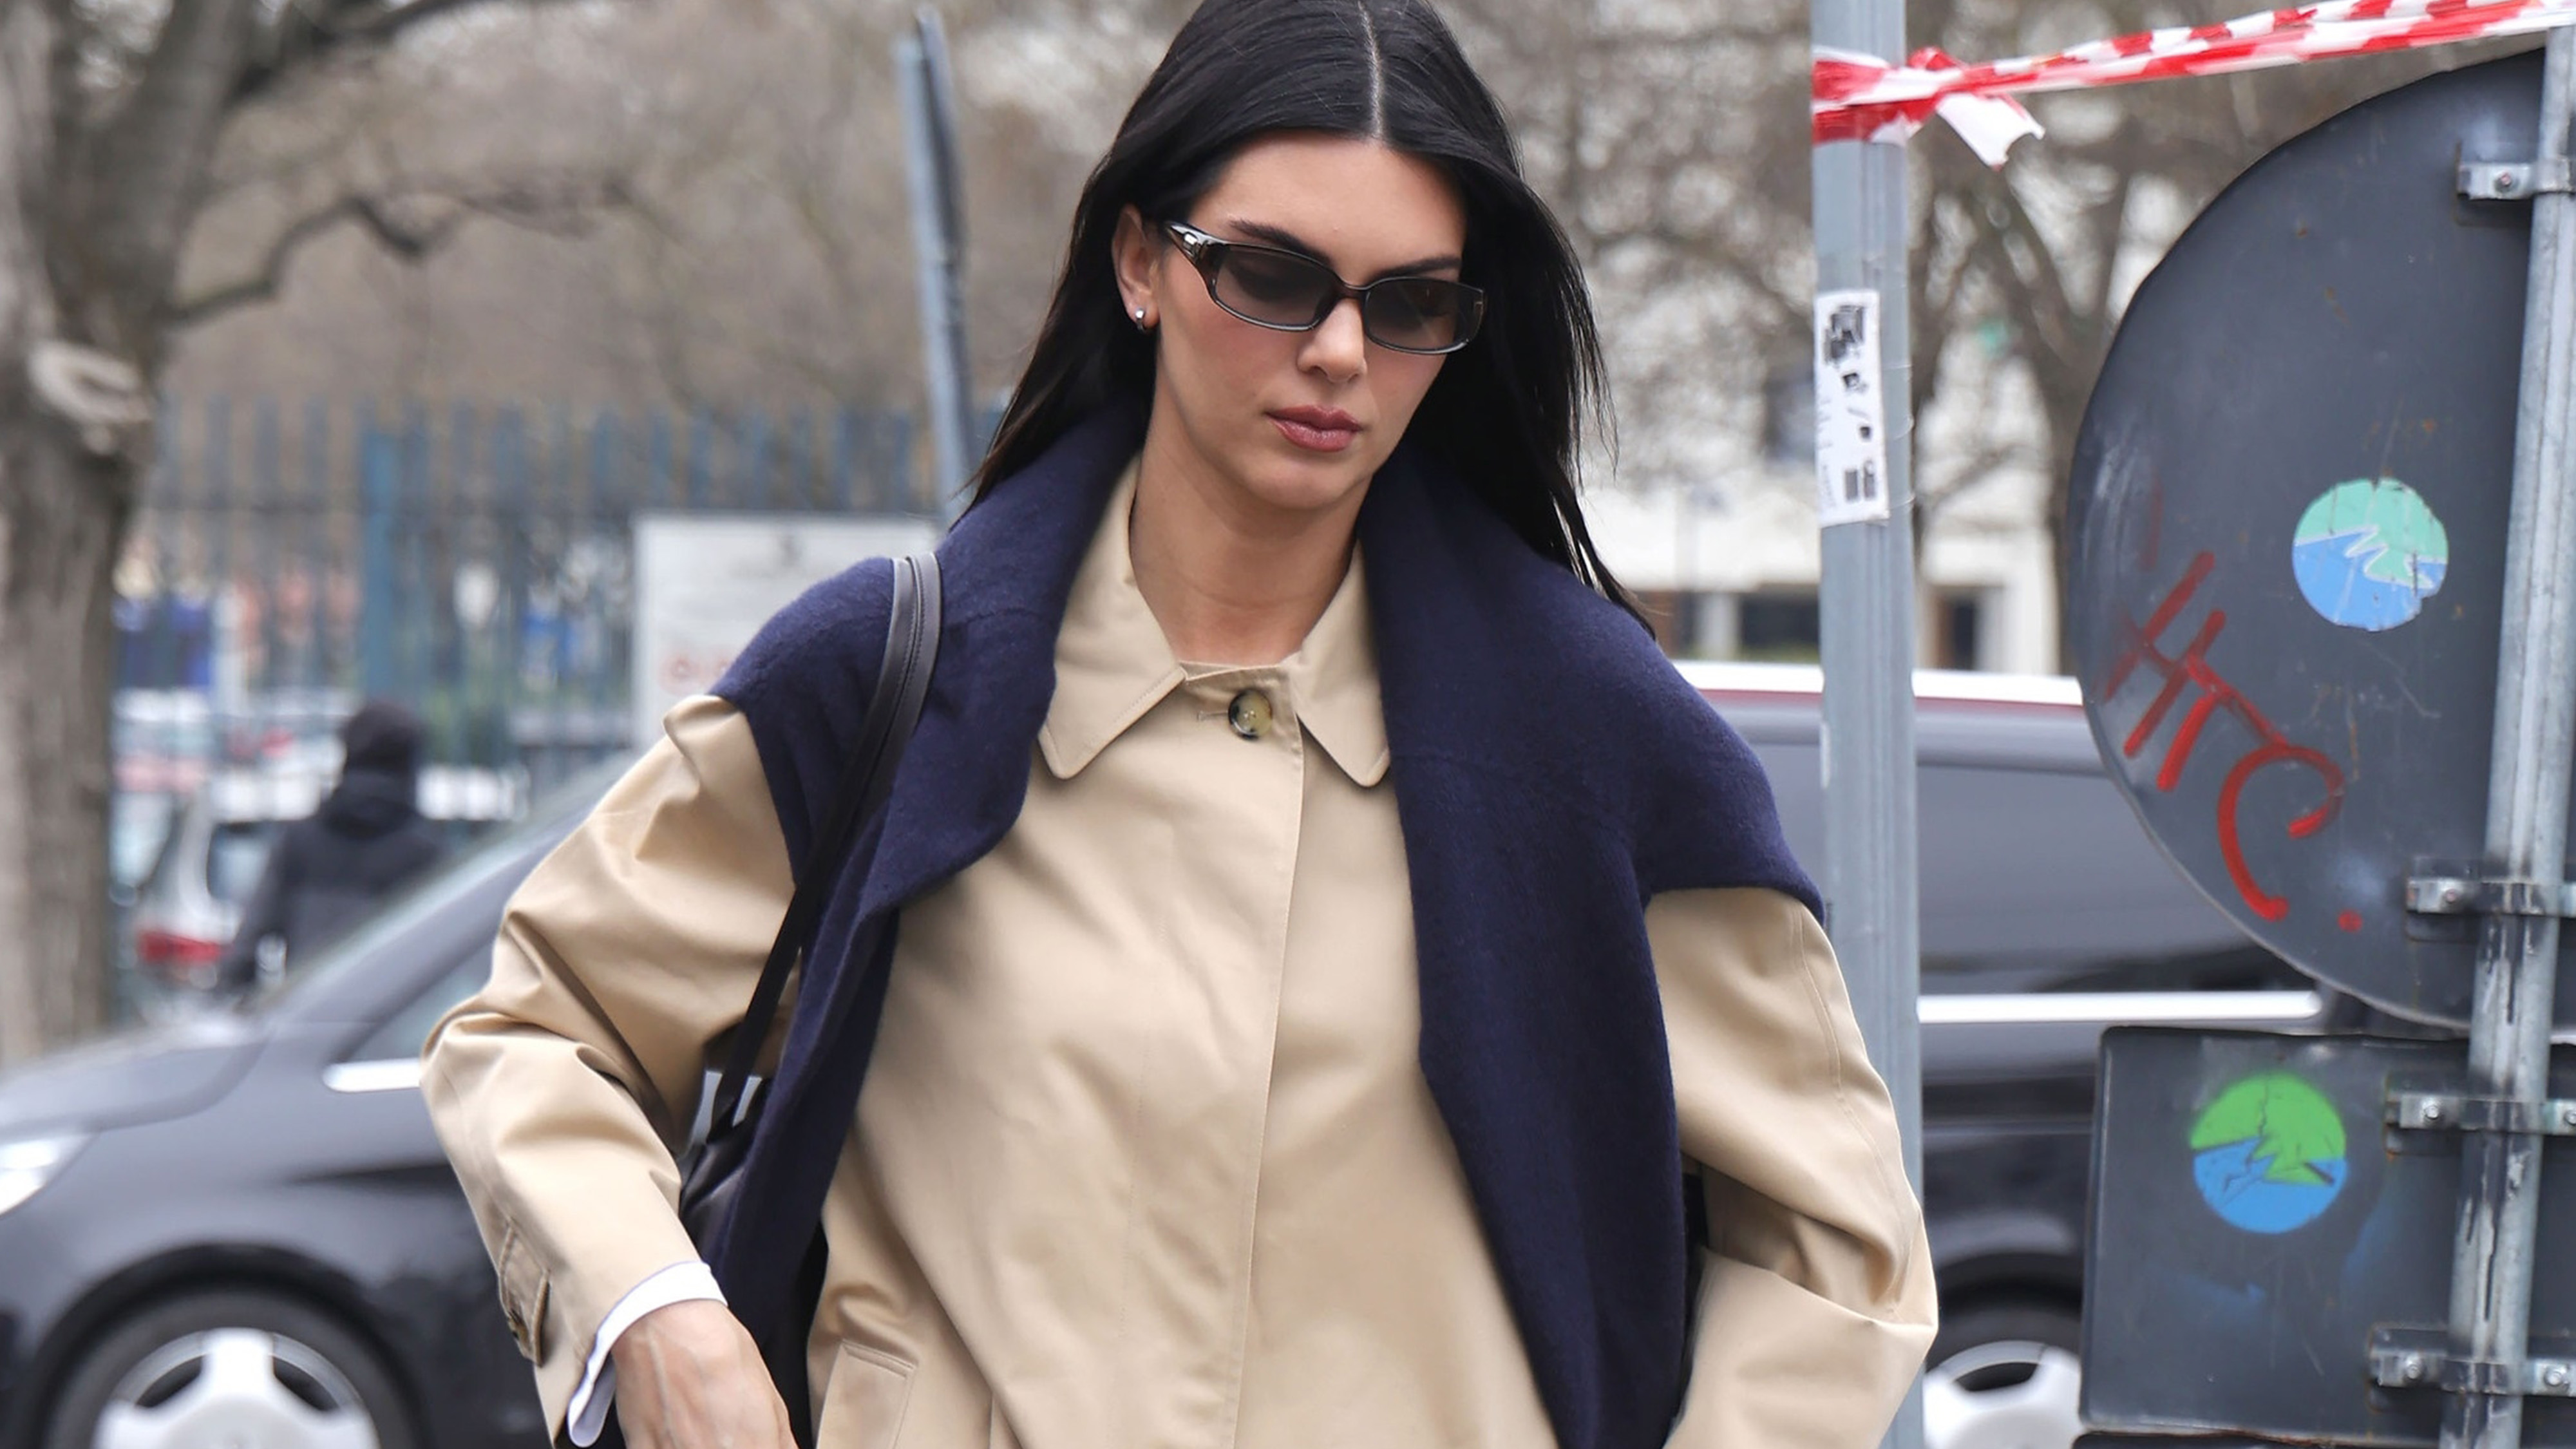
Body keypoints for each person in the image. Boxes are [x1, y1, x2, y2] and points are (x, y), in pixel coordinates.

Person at [422, 1, 1937, 1445]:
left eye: (1410, 304)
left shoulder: (1593, 743)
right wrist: (657, 1315)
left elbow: (1834, 1251)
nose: (1338, 352)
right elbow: (540, 1034)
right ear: (1138, 261)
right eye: (1271, 276)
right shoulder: (889, 684)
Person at [216, 700, 445, 994]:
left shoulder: (301, 843)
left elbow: (247, 948)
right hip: (394, 1015)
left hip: (310, 1010)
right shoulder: (426, 854)